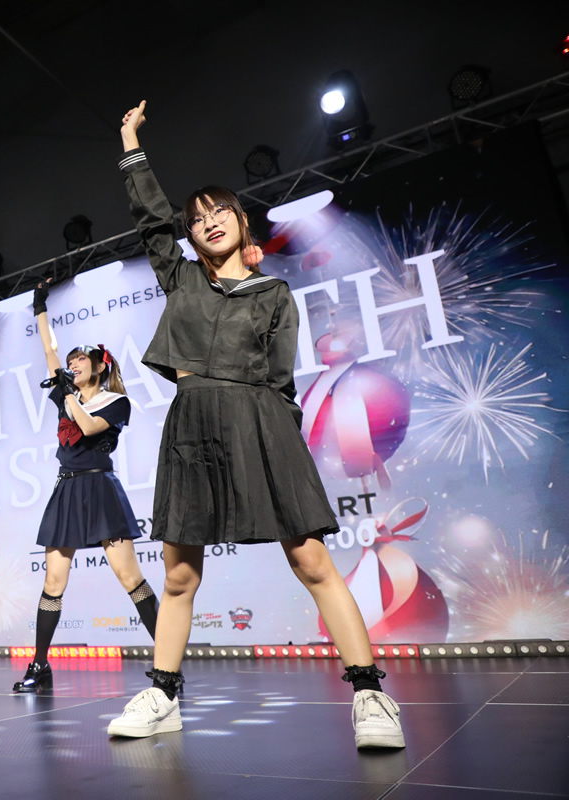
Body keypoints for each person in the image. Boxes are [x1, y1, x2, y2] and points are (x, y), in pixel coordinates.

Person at [104, 101, 405, 749]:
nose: (208, 221)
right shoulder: (181, 280)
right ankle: (163, 694)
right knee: (179, 576)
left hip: (262, 420)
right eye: (197, 218)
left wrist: (278, 445)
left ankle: (371, 695)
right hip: (192, 427)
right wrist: (131, 143)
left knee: (312, 561)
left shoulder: (274, 295)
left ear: (242, 222)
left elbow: (280, 380)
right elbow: (151, 217)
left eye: (220, 211)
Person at [12, 283, 158, 693]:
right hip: (67, 491)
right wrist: (40, 308)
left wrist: (69, 396)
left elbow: (91, 427)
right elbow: (50, 351)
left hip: (100, 489)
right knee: (53, 583)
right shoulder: (67, 394)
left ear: (98, 366)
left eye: (80, 360)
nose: (72, 364)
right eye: (71, 360)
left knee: (130, 577)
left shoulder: (115, 402)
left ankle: (168, 663)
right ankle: (40, 665)